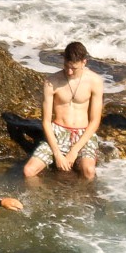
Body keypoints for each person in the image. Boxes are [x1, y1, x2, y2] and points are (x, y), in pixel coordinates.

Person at [24, 42, 105, 180]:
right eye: (66, 66)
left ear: (84, 62)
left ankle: (82, 200)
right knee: (28, 171)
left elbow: (95, 121)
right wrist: (57, 153)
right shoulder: (51, 82)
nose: (69, 72)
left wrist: (74, 151)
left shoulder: (95, 81)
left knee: (89, 171)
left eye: (74, 68)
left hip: (83, 133)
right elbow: (46, 122)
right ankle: (44, 198)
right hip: (57, 133)